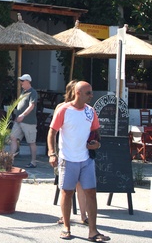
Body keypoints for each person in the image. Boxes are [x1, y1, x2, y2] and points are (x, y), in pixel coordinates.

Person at [47, 81, 109, 242]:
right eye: (88, 93)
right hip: (68, 159)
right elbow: (52, 132)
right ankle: (66, 227)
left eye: (91, 92)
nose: (91, 95)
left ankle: (93, 231)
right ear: (78, 93)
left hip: (86, 159)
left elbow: (96, 133)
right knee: (67, 193)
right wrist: (52, 153)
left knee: (91, 193)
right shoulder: (64, 110)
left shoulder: (91, 111)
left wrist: (97, 144)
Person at [55, 80, 88, 227]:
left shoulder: (85, 109)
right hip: (66, 151)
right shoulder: (63, 108)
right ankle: (78, 215)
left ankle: (78, 215)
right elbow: (54, 129)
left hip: (76, 152)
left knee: (68, 187)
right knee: (68, 187)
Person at [9, 74, 38, 168]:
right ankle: (11, 160)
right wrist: (17, 117)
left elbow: (31, 106)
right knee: (13, 137)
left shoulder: (33, 92)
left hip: (29, 122)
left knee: (31, 142)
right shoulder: (23, 92)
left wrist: (23, 115)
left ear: (27, 81)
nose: (20, 82)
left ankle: (33, 162)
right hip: (18, 121)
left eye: (22, 80)